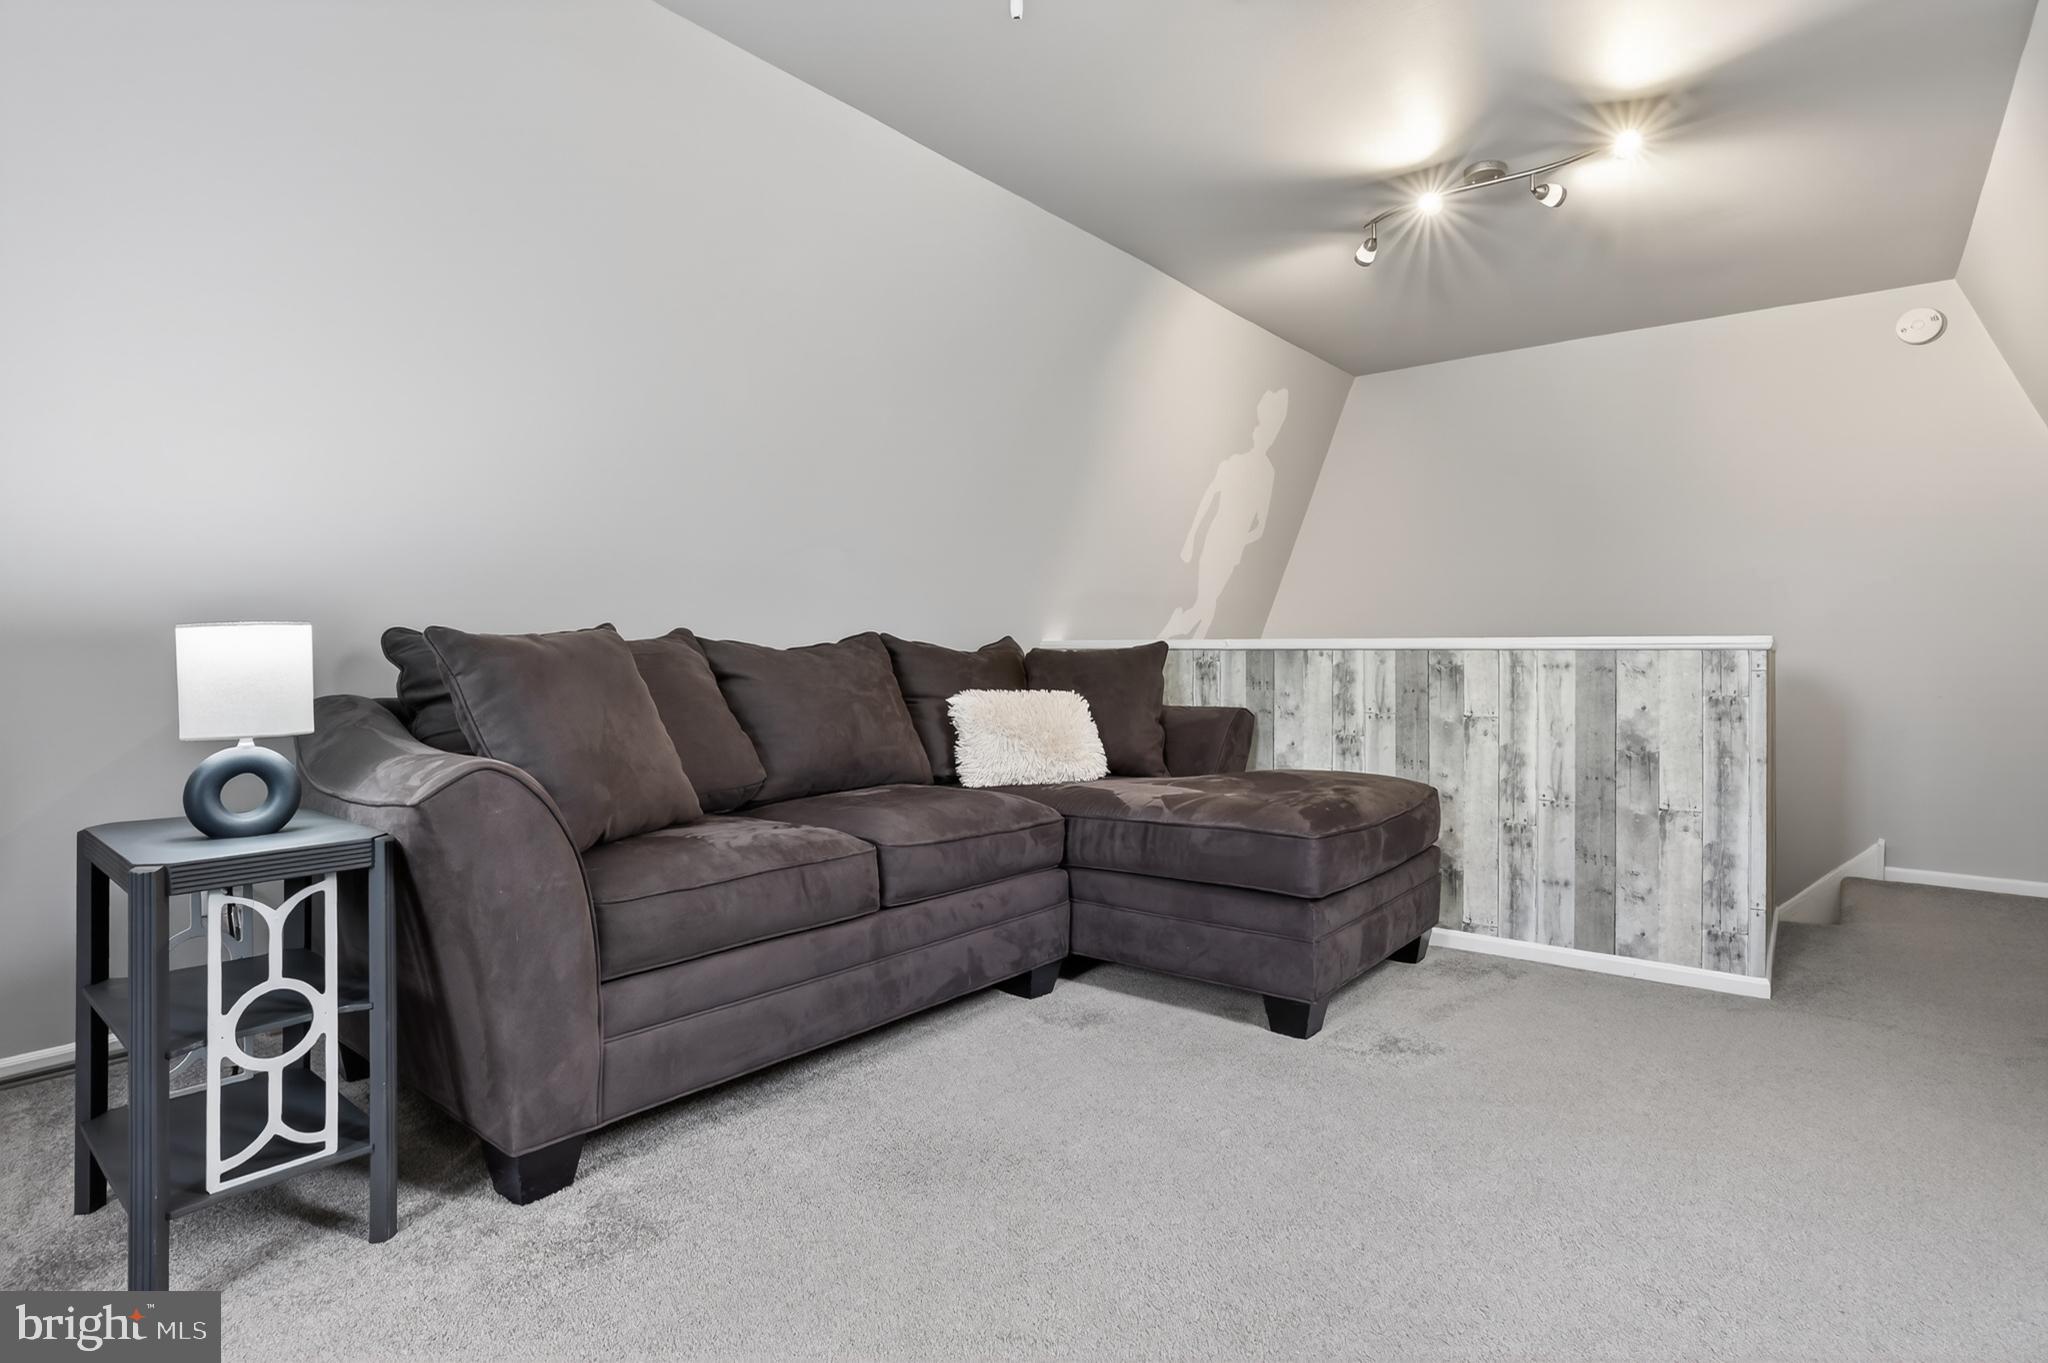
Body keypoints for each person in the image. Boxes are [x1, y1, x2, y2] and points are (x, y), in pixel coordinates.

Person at [1161, 388, 1288, 639]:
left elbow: (1260, 527)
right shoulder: (1232, 464)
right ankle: (1177, 630)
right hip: (1216, 539)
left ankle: (1177, 628)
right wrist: (1191, 539)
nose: (1263, 433)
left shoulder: (1267, 474)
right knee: (1207, 604)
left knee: (1207, 604)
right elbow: (1208, 499)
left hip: (1231, 550)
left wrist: (1240, 540)